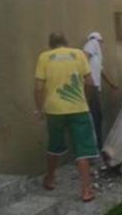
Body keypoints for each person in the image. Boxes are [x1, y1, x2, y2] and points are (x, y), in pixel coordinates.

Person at [34, 32, 98, 202]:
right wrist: (85, 100)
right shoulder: (78, 54)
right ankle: (85, 190)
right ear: (66, 42)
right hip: (78, 108)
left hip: (54, 110)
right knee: (83, 149)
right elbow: (90, 82)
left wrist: (40, 109)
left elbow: (39, 87)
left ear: (50, 44)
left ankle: (50, 179)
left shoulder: (44, 57)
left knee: (54, 145)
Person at [82, 32, 118, 147]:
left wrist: (111, 84)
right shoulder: (93, 42)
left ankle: (97, 145)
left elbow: (101, 71)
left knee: (97, 116)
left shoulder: (97, 56)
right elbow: (84, 56)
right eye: (102, 42)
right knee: (96, 117)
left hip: (94, 87)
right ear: (99, 40)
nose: (102, 44)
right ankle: (96, 147)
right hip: (91, 87)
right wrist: (86, 78)